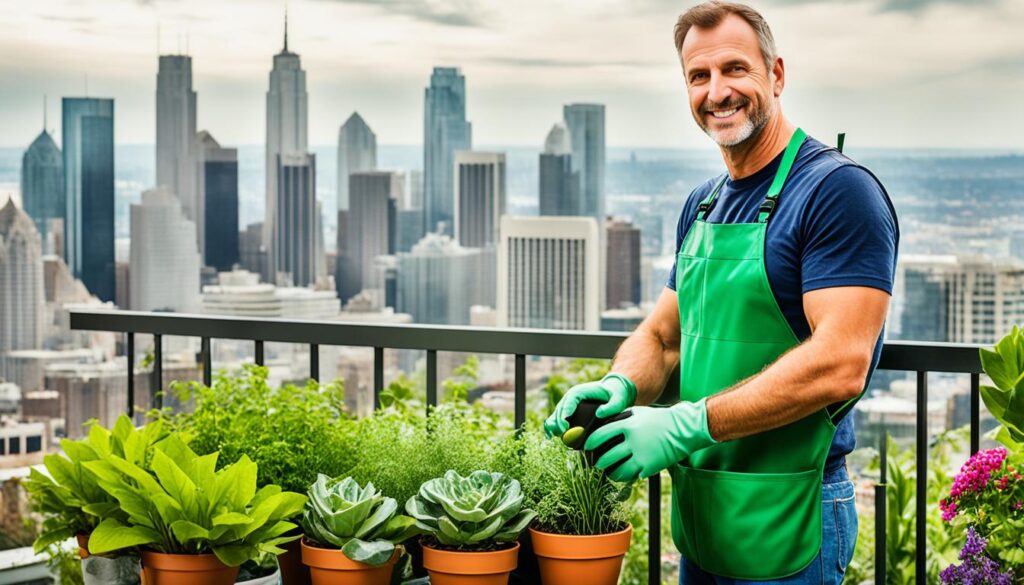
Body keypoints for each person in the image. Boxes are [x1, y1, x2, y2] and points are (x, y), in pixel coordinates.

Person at [543, 2, 899, 583]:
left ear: (776, 75)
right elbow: (662, 337)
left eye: (736, 69)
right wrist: (619, 383)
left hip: (789, 515)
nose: (717, 92)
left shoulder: (837, 192)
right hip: (702, 515)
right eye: (698, 76)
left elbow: (841, 363)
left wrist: (685, 425)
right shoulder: (703, 202)